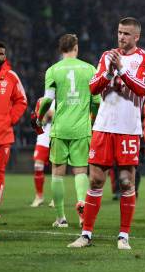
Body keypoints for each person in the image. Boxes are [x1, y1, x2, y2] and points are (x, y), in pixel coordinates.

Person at [70, 17, 145, 250]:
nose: (121, 37)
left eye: (126, 34)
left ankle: (123, 236)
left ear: (136, 37)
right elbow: (93, 87)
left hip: (128, 128)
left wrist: (122, 69)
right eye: (119, 32)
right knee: (96, 179)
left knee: (126, 182)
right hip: (104, 126)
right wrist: (108, 72)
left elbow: (141, 87)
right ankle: (85, 234)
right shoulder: (107, 56)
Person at [35, 33, 100, 228]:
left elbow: (47, 100)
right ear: (76, 47)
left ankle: (61, 217)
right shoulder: (90, 69)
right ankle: (82, 212)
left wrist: (39, 117)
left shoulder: (53, 70)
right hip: (81, 128)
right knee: (81, 171)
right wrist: (93, 118)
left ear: (60, 49)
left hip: (60, 128)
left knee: (57, 173)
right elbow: (97, 101)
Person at [0, 41, 27, 217]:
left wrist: (10, 119)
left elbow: (22, 101)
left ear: (5, 56)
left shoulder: (11, 77)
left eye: (0, 54)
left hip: (3, 135)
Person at [30, 98, 55, 207]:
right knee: (37, 166)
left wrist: (49, 114)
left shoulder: (62, 97)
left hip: (56, 137)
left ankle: (56, 199)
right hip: (43, 138)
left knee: (56, 169)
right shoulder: (41, 100)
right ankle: (39, 196)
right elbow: (41, 120)